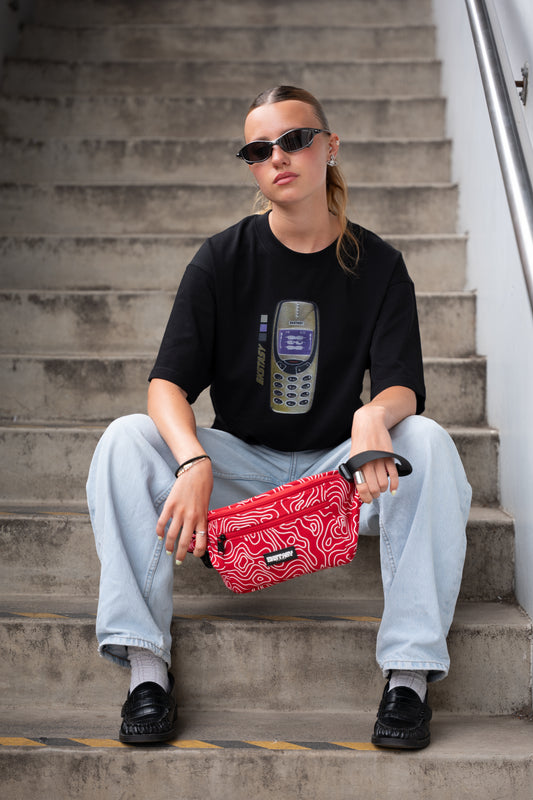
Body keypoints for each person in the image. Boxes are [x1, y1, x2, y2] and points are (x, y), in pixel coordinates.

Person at [87, 86, 472, 749]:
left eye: (294, 139)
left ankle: (407, 677)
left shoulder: (379, 264)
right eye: (259, 150)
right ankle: (146, 668)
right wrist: (194, 461)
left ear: (330, 147)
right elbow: (166, 385)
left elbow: (403, 385)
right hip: (240, 471)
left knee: (429, 443)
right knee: (125, 440)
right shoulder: (221, 259)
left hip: (338, 477)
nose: (278, 157)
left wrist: (373, 415)